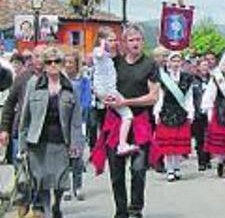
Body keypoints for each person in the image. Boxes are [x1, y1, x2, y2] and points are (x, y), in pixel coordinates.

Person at [92, 24, 159, 218]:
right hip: (115, 121)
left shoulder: (150, 65)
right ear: (124, 43)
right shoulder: (115, 62)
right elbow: (100, 81)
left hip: (139, 121)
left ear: (143, 42)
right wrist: (102, 96)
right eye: (131, 40)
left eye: (138, 39)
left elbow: (153, 96)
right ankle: (121, 211)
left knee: (138, 169)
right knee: (116, 171)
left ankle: (135, 208)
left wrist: (126, 102)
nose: (135, 43)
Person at [18, 46, 84, 218]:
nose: (53, 65)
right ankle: (47, 213)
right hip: (38, 141)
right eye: (49, 62)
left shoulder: (70, 87)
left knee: (61, 183)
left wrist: (76, 144)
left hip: (61, 141)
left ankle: (57, 204)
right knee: (42, 183)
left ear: (62, 64)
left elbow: (76, 120)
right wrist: (22, 144)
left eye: (57, 61)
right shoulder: (34, 84)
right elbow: (25, 116)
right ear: (44, 65)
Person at [1, 46, 44, 218]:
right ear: (32, 59)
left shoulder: (53, 78)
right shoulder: (22, 77)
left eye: (44, 56)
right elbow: (9, 104)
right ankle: (22, 210)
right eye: (37, 56)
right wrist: (4, 129)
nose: (41, 60)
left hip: (44, 135)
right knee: (22, 177)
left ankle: (38, 209)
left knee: (40, 176)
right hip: (21, 132)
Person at [91, 27, 137, 156]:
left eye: (114, 40)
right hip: (106, 89)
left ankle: (122, 144)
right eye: (110, 40)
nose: (113, 42)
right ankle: (122, 144)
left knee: (125, 115)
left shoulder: (108, 56)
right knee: (127, 115)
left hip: (107, 89)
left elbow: (118, 55)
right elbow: (99, 54)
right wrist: (102, 44)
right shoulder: (98, 52)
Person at [150, 51, 194, 182]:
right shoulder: (163, 78)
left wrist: (190, 112)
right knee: (168, 145)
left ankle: (177, 168)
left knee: (178, 144)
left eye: (178, 61)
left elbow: (189, 97)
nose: (175, 64)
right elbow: (160, 97)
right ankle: (169, 169)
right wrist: (157, 112)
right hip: (167, 112)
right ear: (168, 63)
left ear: (181, 62)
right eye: (173, 61)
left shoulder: (187, 77)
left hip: (181, 112)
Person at [62, 51, 90, 202]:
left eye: (71, 62)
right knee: (64, 157)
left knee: (77, 156)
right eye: (65, 62)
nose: (68, 65)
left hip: (79, 123)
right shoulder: (60, 80)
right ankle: (65, 187)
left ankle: (77, 186)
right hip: (63, 123)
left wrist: (82, 119)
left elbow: (86, 102)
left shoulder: (83, 81)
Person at [191, 57, 211, 171]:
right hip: (197, 113)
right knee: (199, 138)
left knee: (209, 136)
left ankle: (208, 158)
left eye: (207, 65)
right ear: (198, 67)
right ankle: (201, 161)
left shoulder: (213, 79)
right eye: (203, 65)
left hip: (209, 112)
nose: (205, 67)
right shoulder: (193, 80)